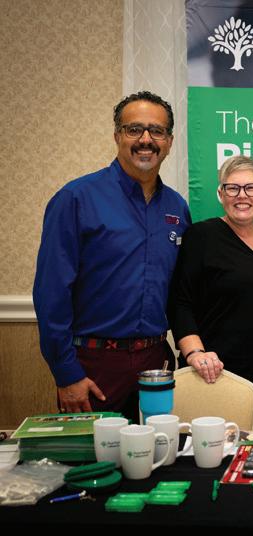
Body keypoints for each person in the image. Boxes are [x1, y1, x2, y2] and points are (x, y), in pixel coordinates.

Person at [33, 91, 191, 421]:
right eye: (134, 129)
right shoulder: (75, 199)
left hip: (156, 364)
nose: (145, 140)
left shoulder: (177, 208)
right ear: (117, 135)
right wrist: (67, 373)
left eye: (156, 131)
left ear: (169, 142)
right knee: (92, 455)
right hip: (93, 367)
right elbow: (51, 294)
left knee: (158, 451)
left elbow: (184, 289)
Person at [168, 156, 253, 431]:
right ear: (221, 194)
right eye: (233, 188)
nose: (242, 196)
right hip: (220, 377)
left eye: (251, 188)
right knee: (221, 454)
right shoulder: (201, 237)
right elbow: (180, 301)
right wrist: (195, 352)